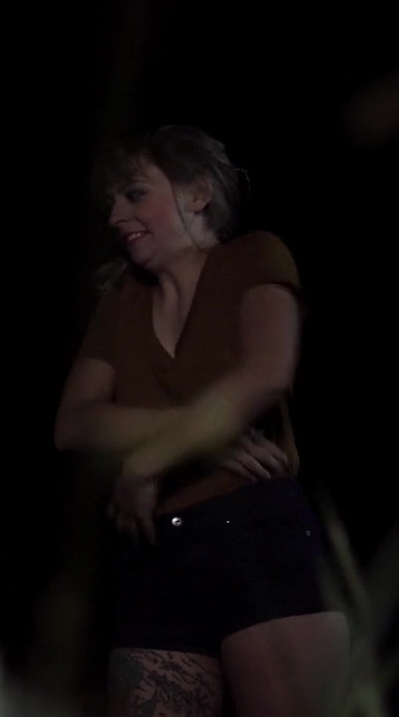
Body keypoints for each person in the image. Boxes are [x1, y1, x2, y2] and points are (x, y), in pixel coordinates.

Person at [52, 125, 348, 716]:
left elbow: (267, 371)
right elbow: (74, 424)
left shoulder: (252, 257)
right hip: (154, 544)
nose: (116, 215)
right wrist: (200, 437)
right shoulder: (121, 302)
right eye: (112, 201)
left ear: (198, 193)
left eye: (135, 194)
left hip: (255, 527)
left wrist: (147, 460)